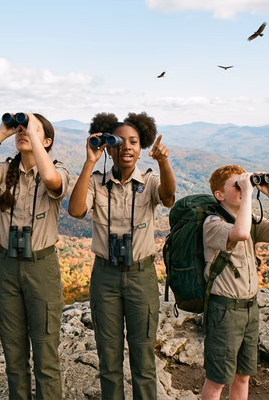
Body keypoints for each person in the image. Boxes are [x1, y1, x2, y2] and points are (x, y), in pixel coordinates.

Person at [68, 112, 176, 400]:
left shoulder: (150, 181)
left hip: (141, 275)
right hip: (105, 275)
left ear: (141, 147)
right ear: (109, 146)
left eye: (134, 141)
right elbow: (76, 210)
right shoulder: (96, 182)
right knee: (108, 356)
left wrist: (164, 162)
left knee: (143, 357)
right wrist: (91, 159)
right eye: (119, 141)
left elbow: (167, 195)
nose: (127, 146)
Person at [0, 112, 69, 400]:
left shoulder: (58, 170)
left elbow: (50, 179)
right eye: (21, 130)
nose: (23, 132)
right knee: (13, 352)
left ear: (46, 140)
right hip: (7, 265)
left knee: (46, 354)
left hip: (41, 266)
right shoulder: (5, 171)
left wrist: (33, 134)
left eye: (33, 130)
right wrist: (1, 133)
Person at [201, 165, 269, 400]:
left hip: (250, 308)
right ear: (219, 195)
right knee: (217, 379)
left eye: (244, 183)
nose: (243, 188)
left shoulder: (250, 221)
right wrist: (248, 195)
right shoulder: (212, 223)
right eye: (236, 186)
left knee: (243, 375)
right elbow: (240, 233)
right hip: (225, 310)